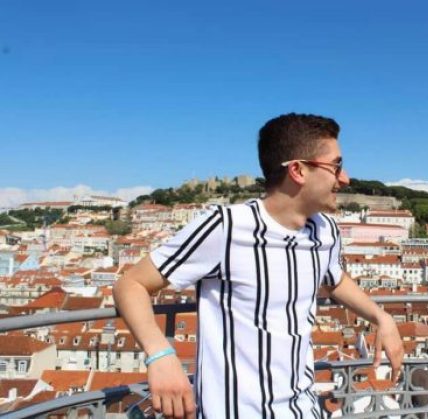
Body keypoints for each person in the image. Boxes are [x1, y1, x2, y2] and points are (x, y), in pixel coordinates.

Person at [113, 113, 404, 419]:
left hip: (305, 409)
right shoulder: (224, 227)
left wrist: (381, 317)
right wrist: (160, 356)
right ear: (298, 170)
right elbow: (130, 284)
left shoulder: (325, 230)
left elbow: (334, 280)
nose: (344, 178)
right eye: (336, 166)